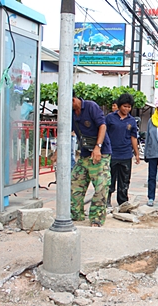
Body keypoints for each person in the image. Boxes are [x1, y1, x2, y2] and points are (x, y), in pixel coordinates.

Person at [52, 90, 112, 227]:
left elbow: (102, 126)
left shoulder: (91, 107)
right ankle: (75, 214)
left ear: (73, 100)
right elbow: (65, 133)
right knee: (74, 184)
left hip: (100, 154)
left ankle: (96, 219)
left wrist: (98, 147)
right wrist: (57, 152)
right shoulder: (70, 114)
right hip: (85, 154)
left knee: (101, 187)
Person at [105, 93, 140, 207]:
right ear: (119, 106)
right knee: (109, 179)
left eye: (129, 107)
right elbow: (103, 133)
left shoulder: (132, 121)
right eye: (125, 106)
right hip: (111, 154)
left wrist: (137, 154)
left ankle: (123, 202)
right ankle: (107, 201)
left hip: (125, 154)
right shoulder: (110, 118)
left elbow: (133, 138)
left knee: (124, 180)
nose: (127, 109)